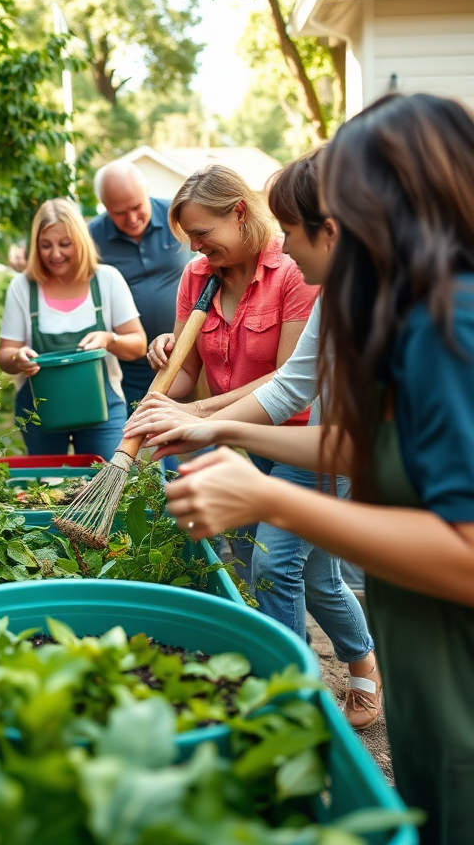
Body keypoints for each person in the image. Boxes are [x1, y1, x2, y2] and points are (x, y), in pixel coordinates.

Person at [163, 94, 474, 844]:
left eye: (336, 207)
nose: (314, 234)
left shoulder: (450, 322)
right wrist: (218, 430)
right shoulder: (412, 318)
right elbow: (360, 452)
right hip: (429, 694)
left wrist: (274, 500)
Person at [125, 152, 380, 728]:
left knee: (275, 568)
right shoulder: (199, 278)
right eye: (189, 237)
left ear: (240, 214)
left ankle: (294, 700)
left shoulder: (297, 272)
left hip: (307, 448)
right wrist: (170, 360)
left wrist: (198, 415)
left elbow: (291, 381)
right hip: (248, 448)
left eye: (202, 233)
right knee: (313, 576)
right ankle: (363, 664)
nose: (195, 248)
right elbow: (191, 377)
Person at [0, 198, 147, 457]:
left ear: (80, 241)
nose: (55, 254)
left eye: (64, 244)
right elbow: (5, 354)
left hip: (102, 413)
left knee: (103, 483)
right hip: (39, 414)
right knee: (43, 491)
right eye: (46, 246)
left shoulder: (106, 280)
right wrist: (17, 358)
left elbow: (138, 344)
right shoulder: (23, 287)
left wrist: (110, 339)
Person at [88, 160, 192, 409]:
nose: (132, 219)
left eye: (136, 206)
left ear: (146, 191)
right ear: (105, 206)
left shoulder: (179, 217)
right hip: (129, 367)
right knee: (139, 437)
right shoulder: (91, 238)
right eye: (119, 213)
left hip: (189, 358)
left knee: (198, 436)